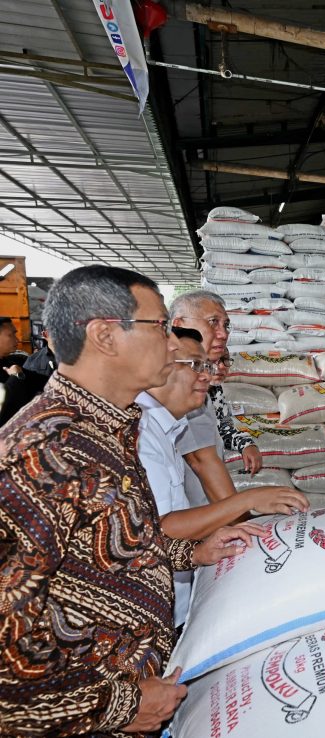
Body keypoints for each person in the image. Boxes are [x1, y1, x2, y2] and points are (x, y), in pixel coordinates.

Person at [0, 265, 261, 735]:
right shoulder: (44, 452)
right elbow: (8, 638)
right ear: (104, 335)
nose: (171, 341)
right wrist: (117, 704)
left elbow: (112, 539)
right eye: (159, 325)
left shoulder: (111, 429)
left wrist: (190, 552)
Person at [136, 327, 308, 628]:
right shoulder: (143, 436)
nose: (207, 375)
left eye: (208, 366)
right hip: (152, 609)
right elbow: (161, 528)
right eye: (195, 366)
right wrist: (250, 501)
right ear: (157, 366)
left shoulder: (167, 429)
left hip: (172, 598)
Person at [168, 290, 267, 506]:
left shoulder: (203, 382)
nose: (223, 334)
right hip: (184, 516)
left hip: (198, 510)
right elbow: (201, 461)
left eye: (226, 325)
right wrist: (241, 521)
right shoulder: (180, 381)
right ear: (179, 324)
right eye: (213, 322)